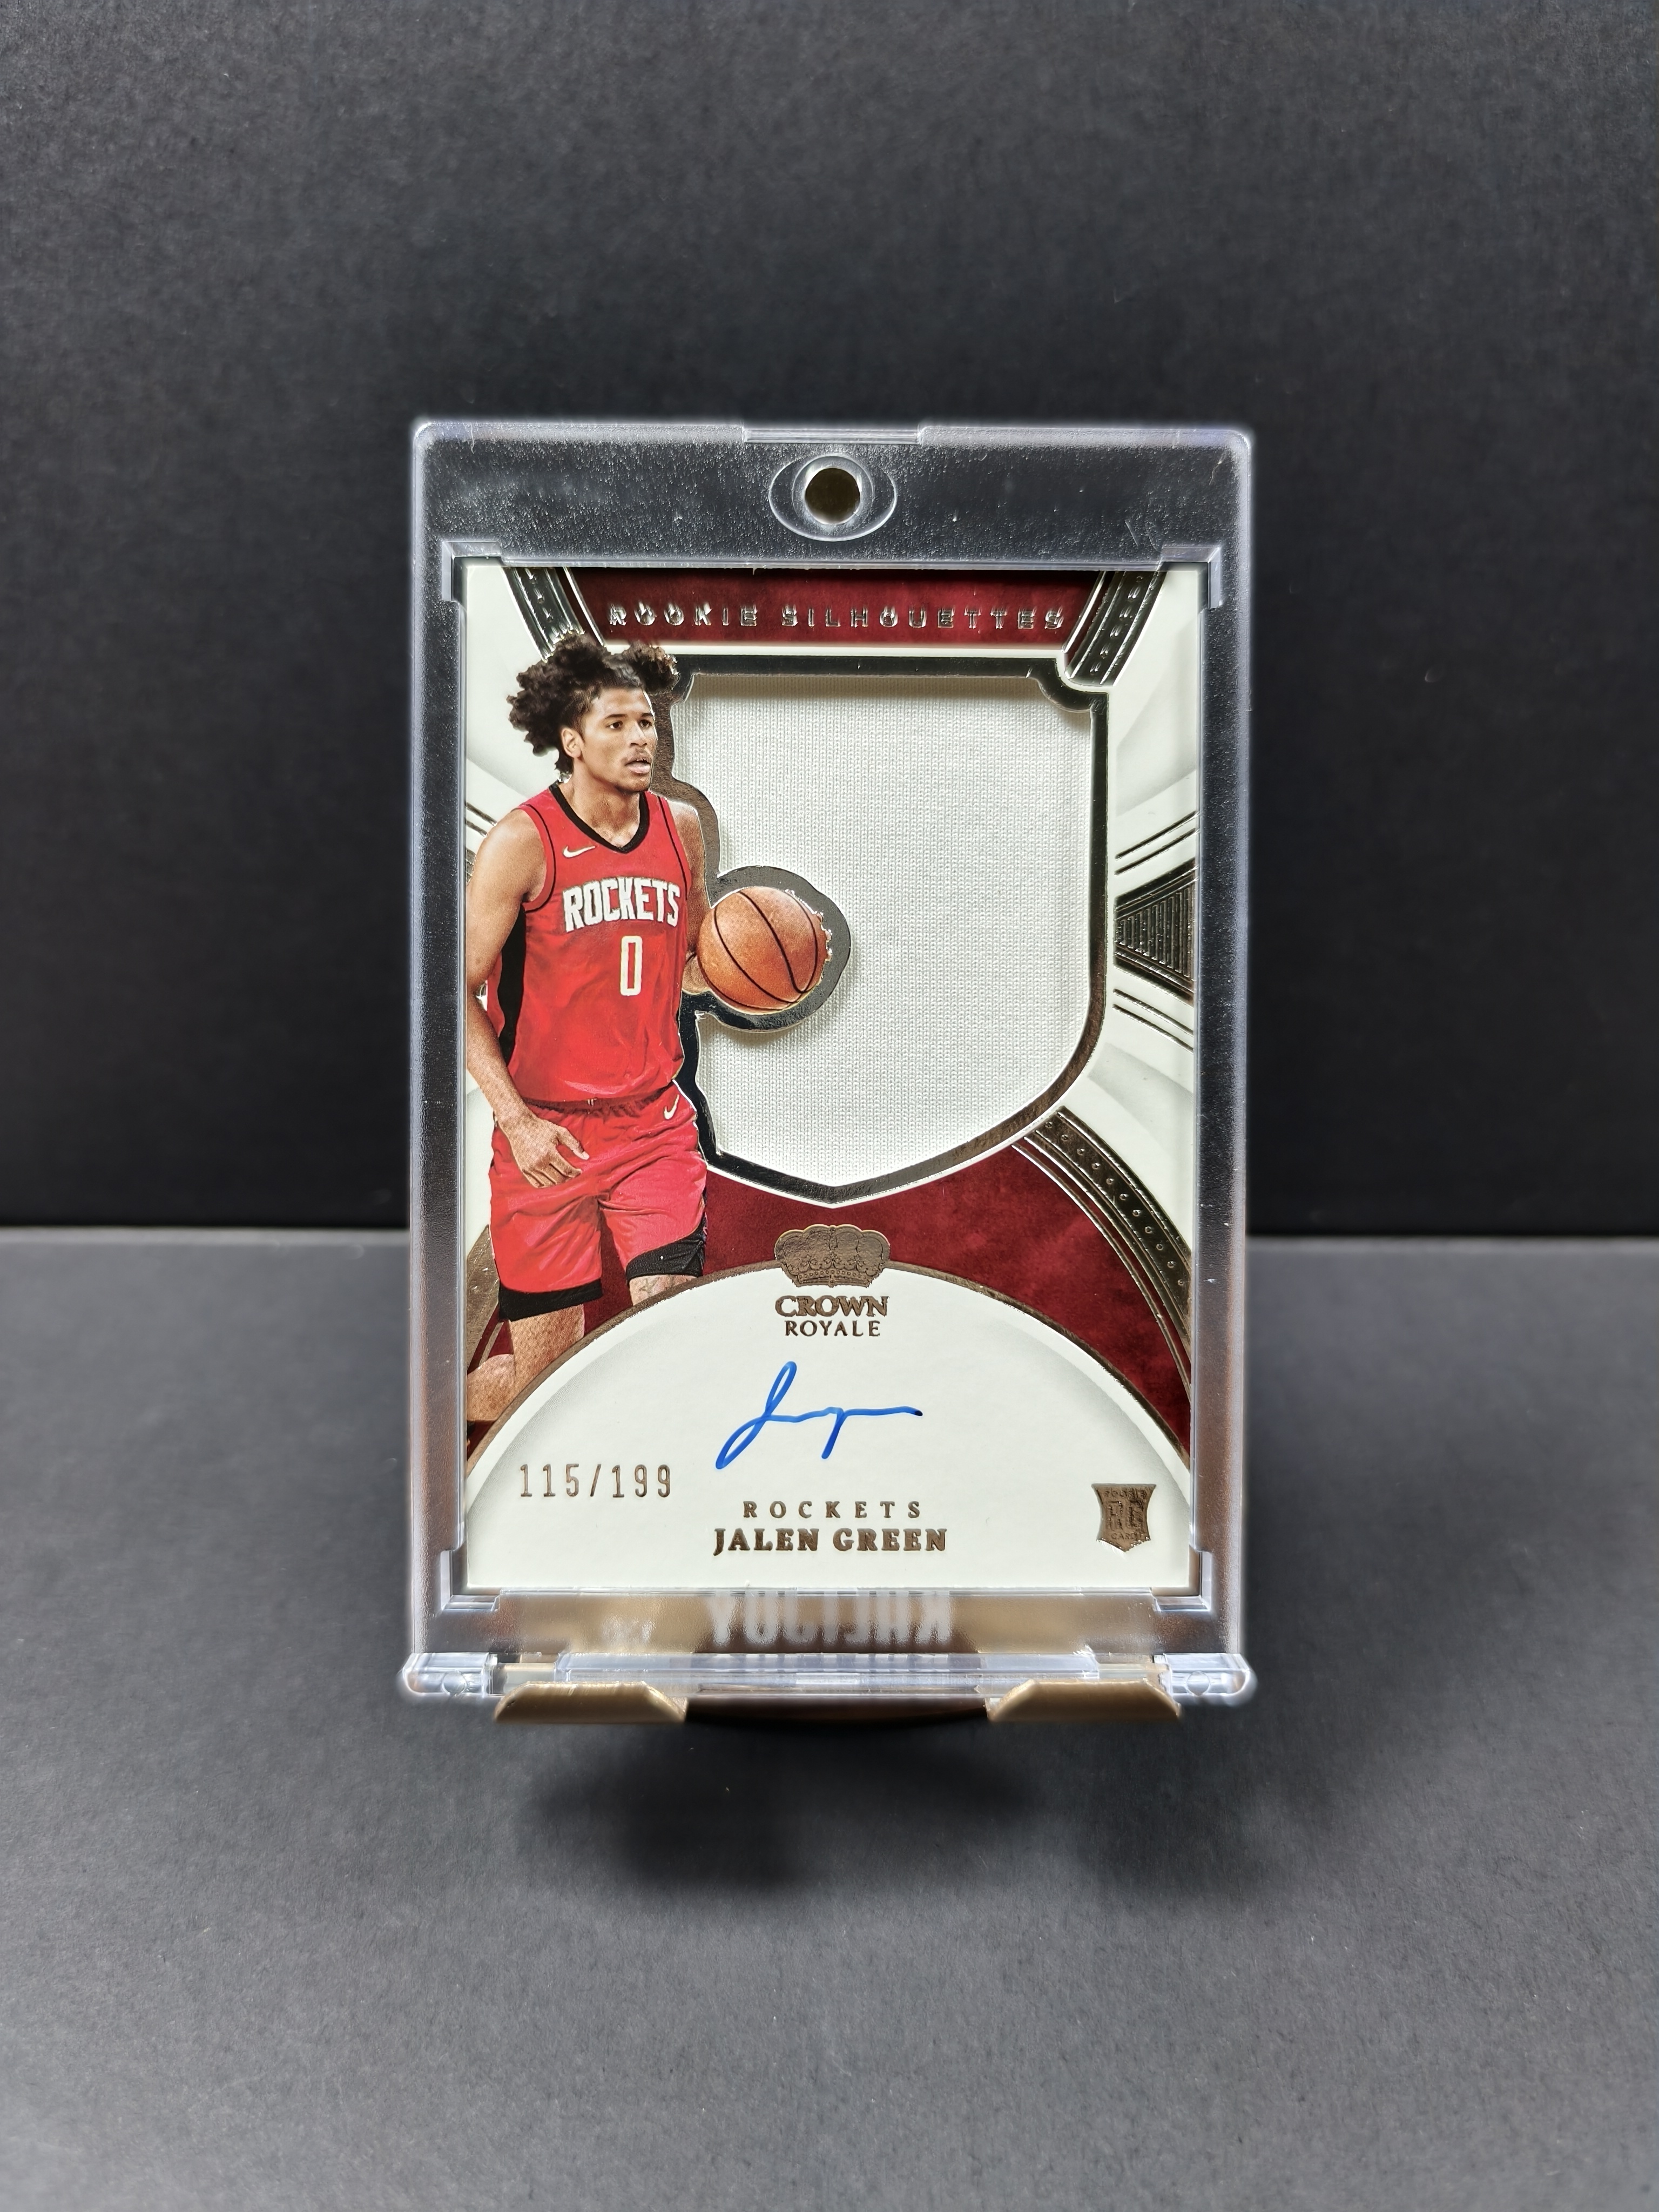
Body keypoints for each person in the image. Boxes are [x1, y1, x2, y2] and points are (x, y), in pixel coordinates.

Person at [464, 633, 710, 1425]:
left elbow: (693, 966)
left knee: (666, 1340)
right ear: (571, 739)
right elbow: (451, 991)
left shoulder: (681, 828)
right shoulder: (523, 841)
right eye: (617, 725)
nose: (640, 740)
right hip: (547, 1137)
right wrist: (516, 1121)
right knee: (547, 1390)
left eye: (647, 722)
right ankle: (429, 1402)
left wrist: (768, 970)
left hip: (652, 1127)